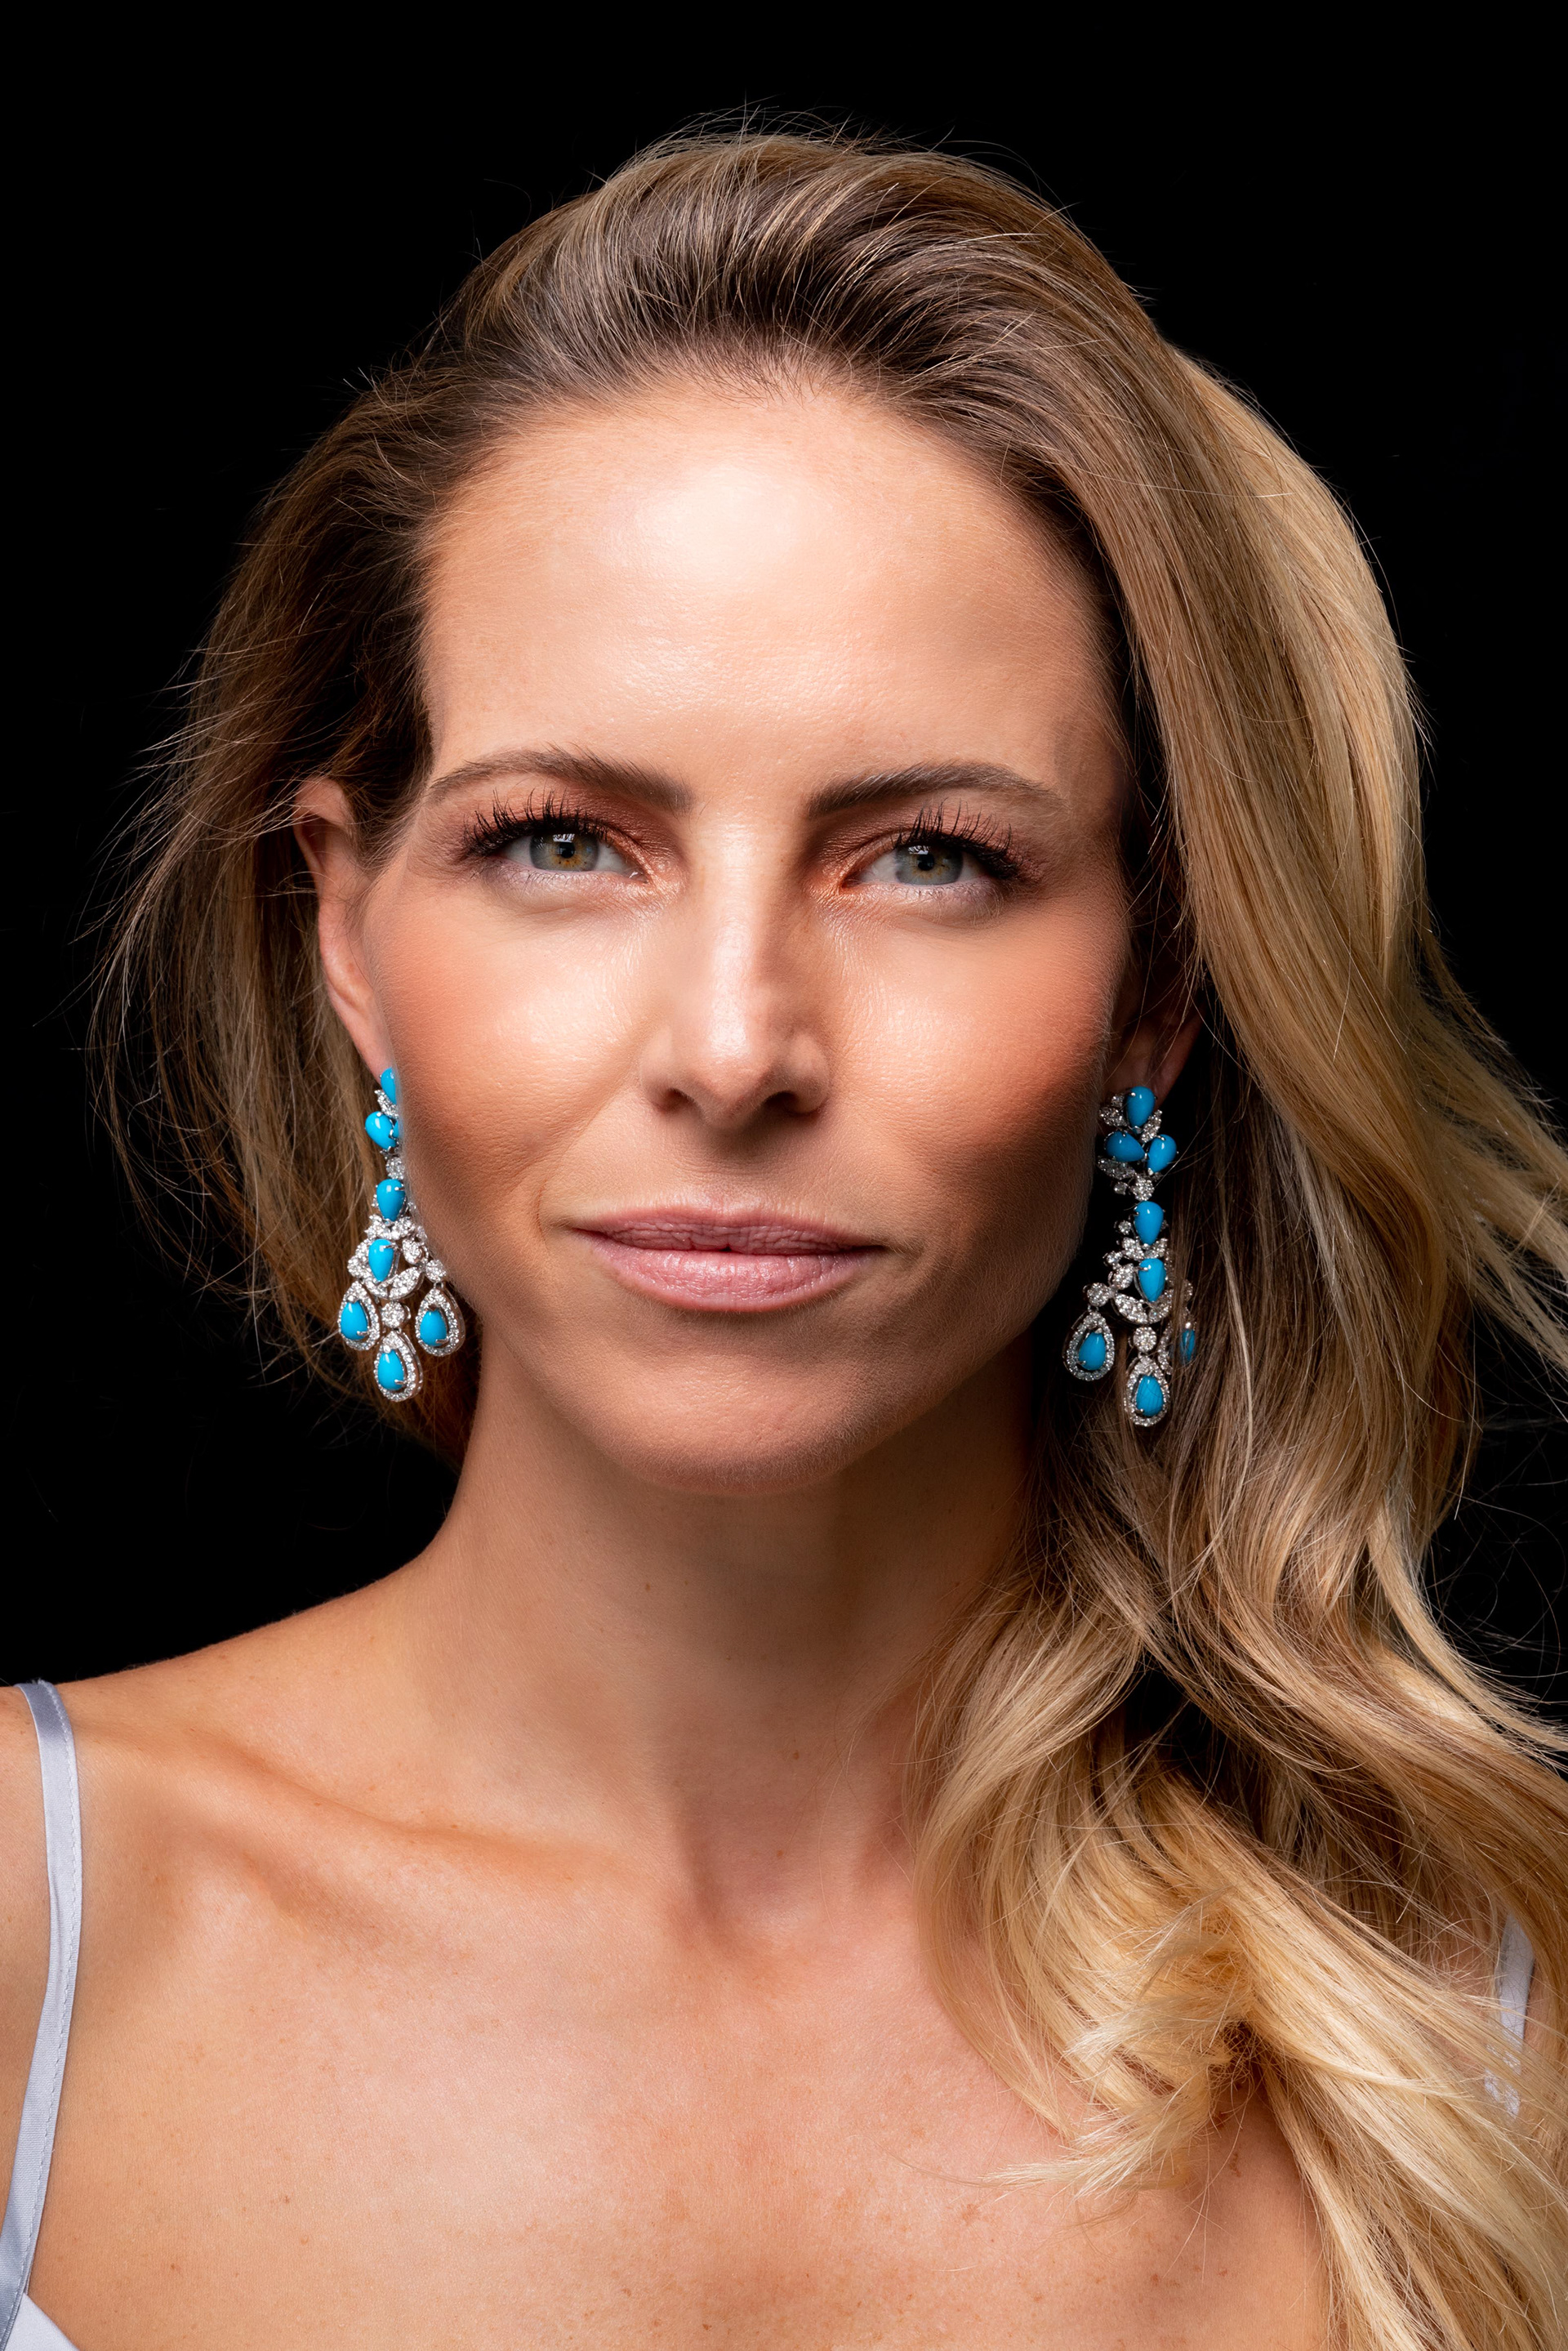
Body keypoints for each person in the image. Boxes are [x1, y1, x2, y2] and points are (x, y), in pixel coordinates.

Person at [3, 130, 1564, 2351]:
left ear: (1157, 988)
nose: (734, 1048)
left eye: (928, 859)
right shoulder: (32, 1934)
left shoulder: (1494, 2033)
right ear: (350, 931)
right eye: (565, 842)